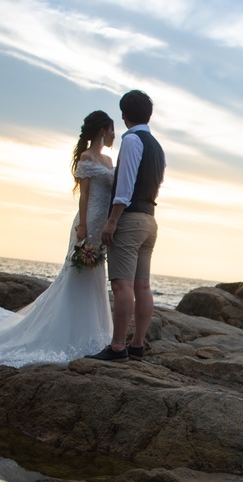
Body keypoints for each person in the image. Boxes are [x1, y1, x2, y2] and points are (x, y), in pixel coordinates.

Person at [0, 111, 116, 367]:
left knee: (95, 273)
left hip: (103, 223)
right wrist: (82, 226)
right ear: (103, 129)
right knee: (77, 273)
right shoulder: (87, 158)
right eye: (112, 130)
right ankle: (67, 331)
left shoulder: (108, 160)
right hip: (88, 221)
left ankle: (94, 333)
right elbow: (84, 196)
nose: (114, 135)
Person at [84, 89, 166, 362]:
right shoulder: (157, 146)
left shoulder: (132, 140)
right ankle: (137, 345)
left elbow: (125, 185)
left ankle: (118, 346)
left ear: (124, 114)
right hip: (150, 219)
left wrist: (113, 220)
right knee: (143, 286)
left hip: (130, 219)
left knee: (122, 285)